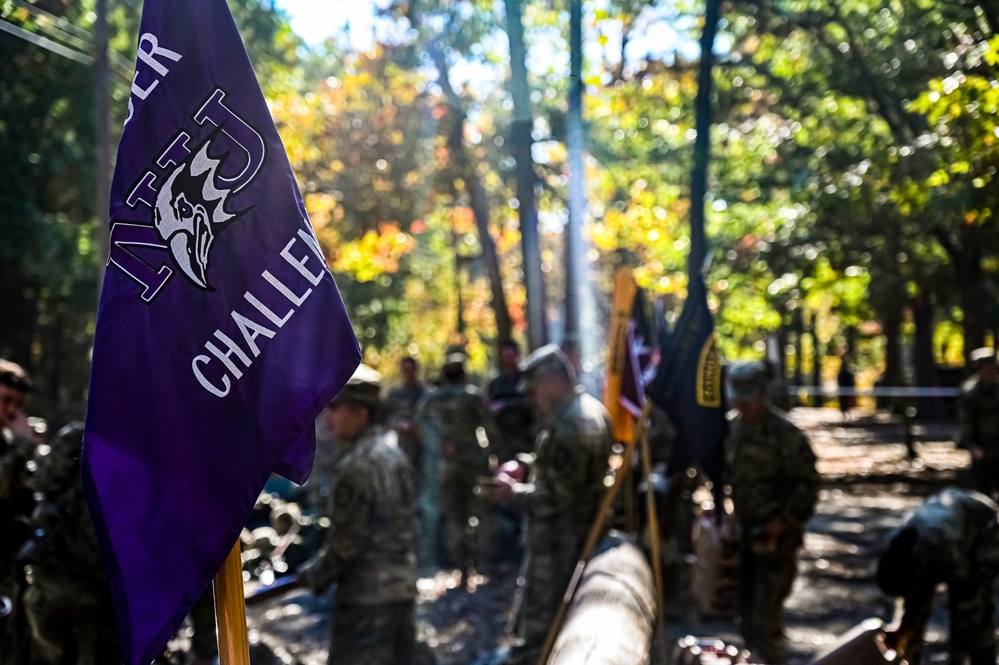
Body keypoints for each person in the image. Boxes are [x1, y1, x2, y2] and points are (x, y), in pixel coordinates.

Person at [489, 344, 613, 664]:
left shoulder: (574, 423)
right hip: (560, 543)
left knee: (540, 636)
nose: (531, 397)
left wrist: (511, 492)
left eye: (535, 388)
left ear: (555, 382)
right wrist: (524, 464)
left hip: (561, 548)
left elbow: (557, 498)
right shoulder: (580, 412)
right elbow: (556, 467)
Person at [298, 364, 418, 665]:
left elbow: (345, 545)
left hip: (367, 605)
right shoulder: (395, 455)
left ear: (361, 414)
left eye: (336, 407)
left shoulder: (356, 468)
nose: (328, 416)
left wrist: (313, 576)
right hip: (401, 593)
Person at [725, 361, 819, 664]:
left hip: (776, 542)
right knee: (745, 617)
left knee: (767, 619)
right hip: (742, 540)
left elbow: (808, 486)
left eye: (749, 398)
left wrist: (785, 522)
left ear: (764, 394)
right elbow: (726, 477)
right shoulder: (731, 430)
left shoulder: (786, 435)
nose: (745, 405)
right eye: (740, 398)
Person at [18, 422, 121, 665]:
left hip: (63, 585)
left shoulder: (81, 435)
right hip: (85, 588)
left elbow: (41, 481)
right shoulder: (142, 446)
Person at [877, 488, 999, 665]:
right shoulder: (896, 547)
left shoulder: (945, 552)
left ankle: (984, 659)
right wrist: (902, 629)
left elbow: (965, 606)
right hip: (948, 526)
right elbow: (913, 598)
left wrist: (956, 659)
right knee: (916, 608)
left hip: (983, 528)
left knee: (977, 608)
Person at [417, 350, 502, 578]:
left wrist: (439, 446)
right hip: (474, 463)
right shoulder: (473, 396)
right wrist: (495, 456)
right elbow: (490, 428)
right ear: (464, 374)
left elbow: (420, 425)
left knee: (455, 517)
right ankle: (481, 567)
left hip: (447, 466)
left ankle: (461, 569)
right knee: (479, 514)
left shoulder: (433, 399)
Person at [0, 360, 35, 665]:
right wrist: (24, 447)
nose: (12, 411)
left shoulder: (9, 442)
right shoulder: (14, 445)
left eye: (18, 404)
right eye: (5, 401)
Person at [958, 347, 999, 500]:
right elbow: (966, 421)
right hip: (983, 446)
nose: (993, 370)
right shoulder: (972, 392)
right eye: (989, 367)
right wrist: (972, 445)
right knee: (982, 492)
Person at [384, 356, 431, 472]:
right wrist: (398, 424)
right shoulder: (395, 395)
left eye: (412, 370)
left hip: (425, 446)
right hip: (401, 445)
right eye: (406, 370)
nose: (409, 374)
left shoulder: (428, 395)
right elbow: (384, 418)